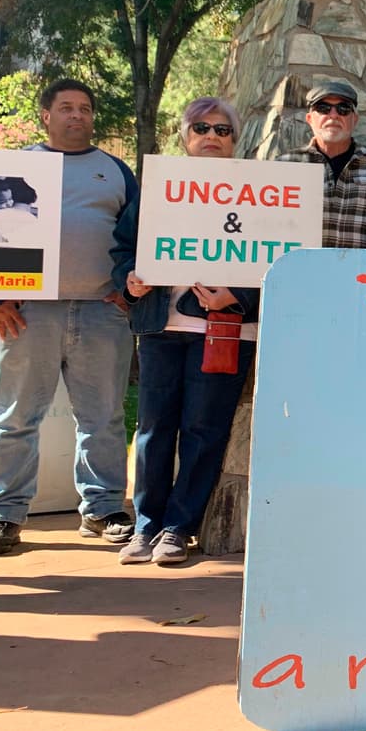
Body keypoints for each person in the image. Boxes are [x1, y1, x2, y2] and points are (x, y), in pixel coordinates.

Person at [0, 78, 137, 556]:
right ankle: (2, 515)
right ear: (46, 115)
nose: (77, 115)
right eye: (66, 107)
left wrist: (128, 290)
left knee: (104, 418)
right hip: (28, 313)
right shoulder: (15, 166)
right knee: (15, 418)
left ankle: (103, 508)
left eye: (84, 108)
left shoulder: (115, 171)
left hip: (101, 312)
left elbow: (138, 235)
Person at [110, 97, 259, 565]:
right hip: (160, 325)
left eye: (222, 130)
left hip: (223, 329)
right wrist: (130, 280)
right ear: (185, 136)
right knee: (153, 428)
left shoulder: (260, 193)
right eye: (201, 128)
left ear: (235, 140)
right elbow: (123, 248)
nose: (211, 136)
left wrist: (237, 296)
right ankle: (146, 525)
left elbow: (275, 257)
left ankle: (178, 528)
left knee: (203, 430)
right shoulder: (156, 189)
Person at [277, 81, 366, 248]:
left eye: (343, 108)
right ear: (309, 119)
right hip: (299, 265)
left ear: (354, 119)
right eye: (323, 108)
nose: (333, 115)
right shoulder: (283, 168)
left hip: (361, 266)